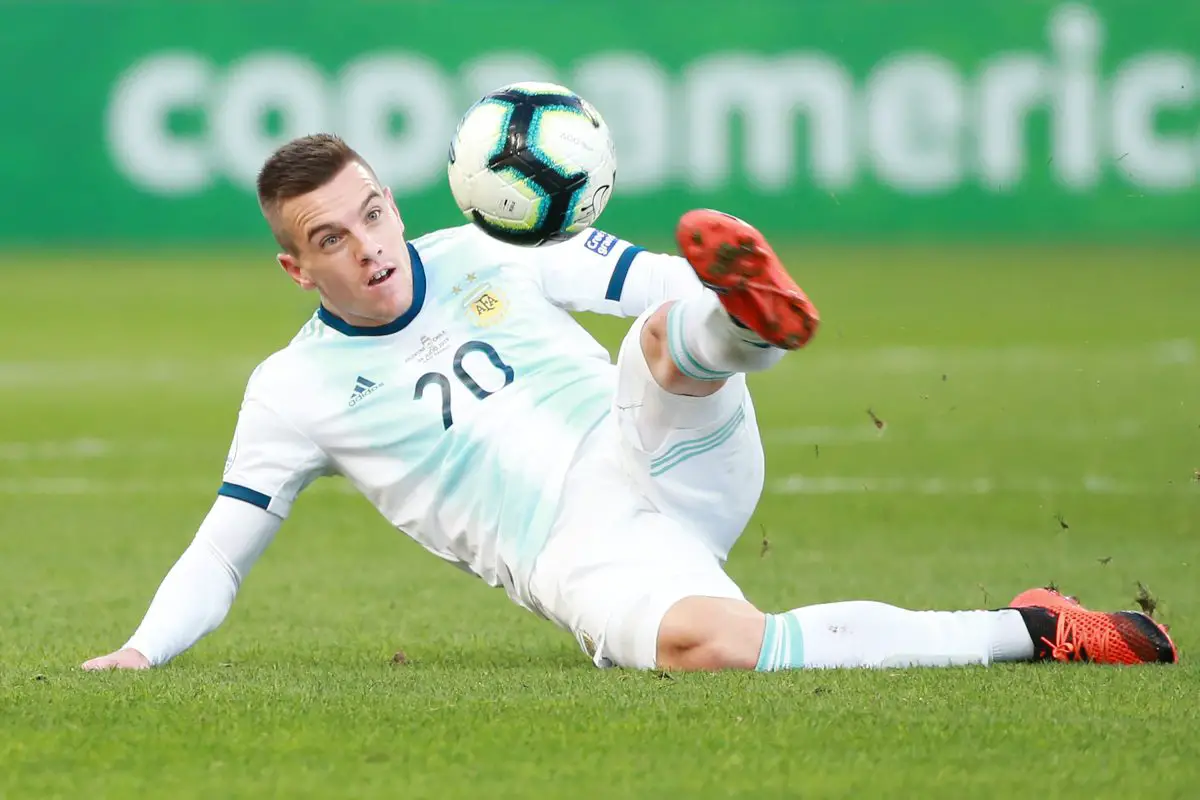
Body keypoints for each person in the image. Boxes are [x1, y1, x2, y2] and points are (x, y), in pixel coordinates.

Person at [82, 134, 1177, 673]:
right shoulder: (290, 391)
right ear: (295, 266)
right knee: (717, 648)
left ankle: (749, 324)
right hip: (574, 551)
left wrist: (711, 291)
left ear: (392, 197)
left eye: (373, 211)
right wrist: (139, 650)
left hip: (657, 445)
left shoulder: (481, 244)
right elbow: (221, 554)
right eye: (333, 237)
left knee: (664, 331)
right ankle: (1036, 628)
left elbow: (657, 275)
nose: (371, 246)